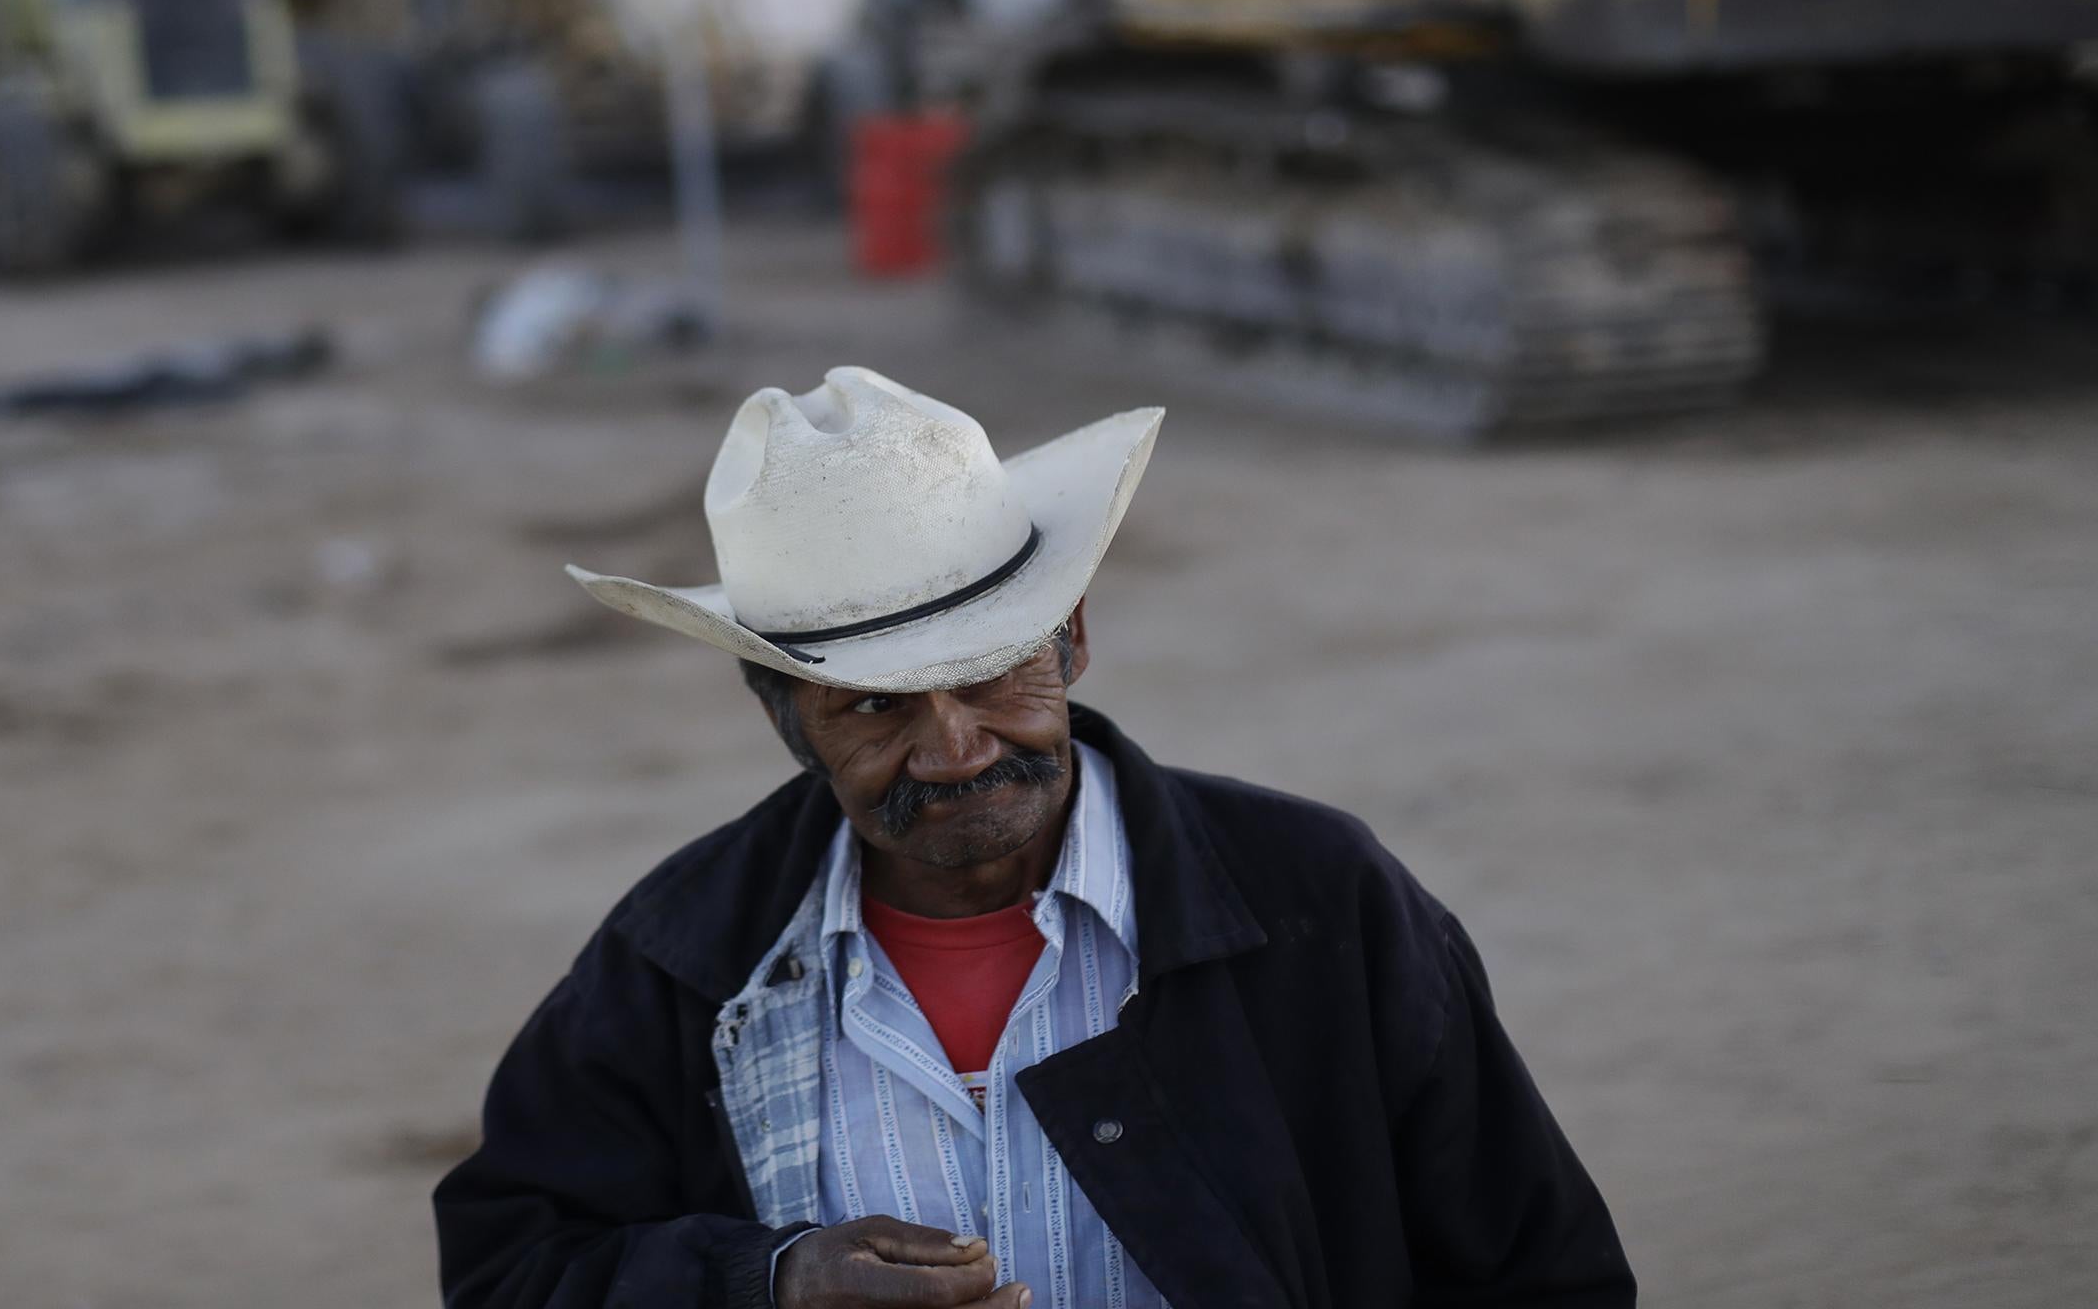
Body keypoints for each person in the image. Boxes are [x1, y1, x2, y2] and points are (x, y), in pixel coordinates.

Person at [435, 366, 1631, 1308]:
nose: (957, 751)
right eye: (872, 706)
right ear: (782, 718)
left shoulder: (1318, 900)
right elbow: (511, 1269)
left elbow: (1536, 1272)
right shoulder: (683, 960)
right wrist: (769, 1282)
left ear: (1070, 641)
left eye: (994, 675)